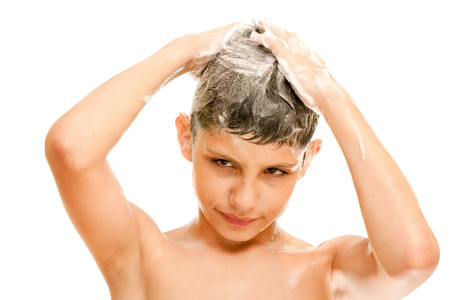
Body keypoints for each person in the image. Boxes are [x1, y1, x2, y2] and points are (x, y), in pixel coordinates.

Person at [45, 19, 439, 299]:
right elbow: (71, 149)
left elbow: (413, 261)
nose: (244, 200)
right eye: (223, 163)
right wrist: (181, 52)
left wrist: (329, 93)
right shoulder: (143, 257)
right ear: (186, 137)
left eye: (274, 171)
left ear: (306, 162)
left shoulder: (325, 272)